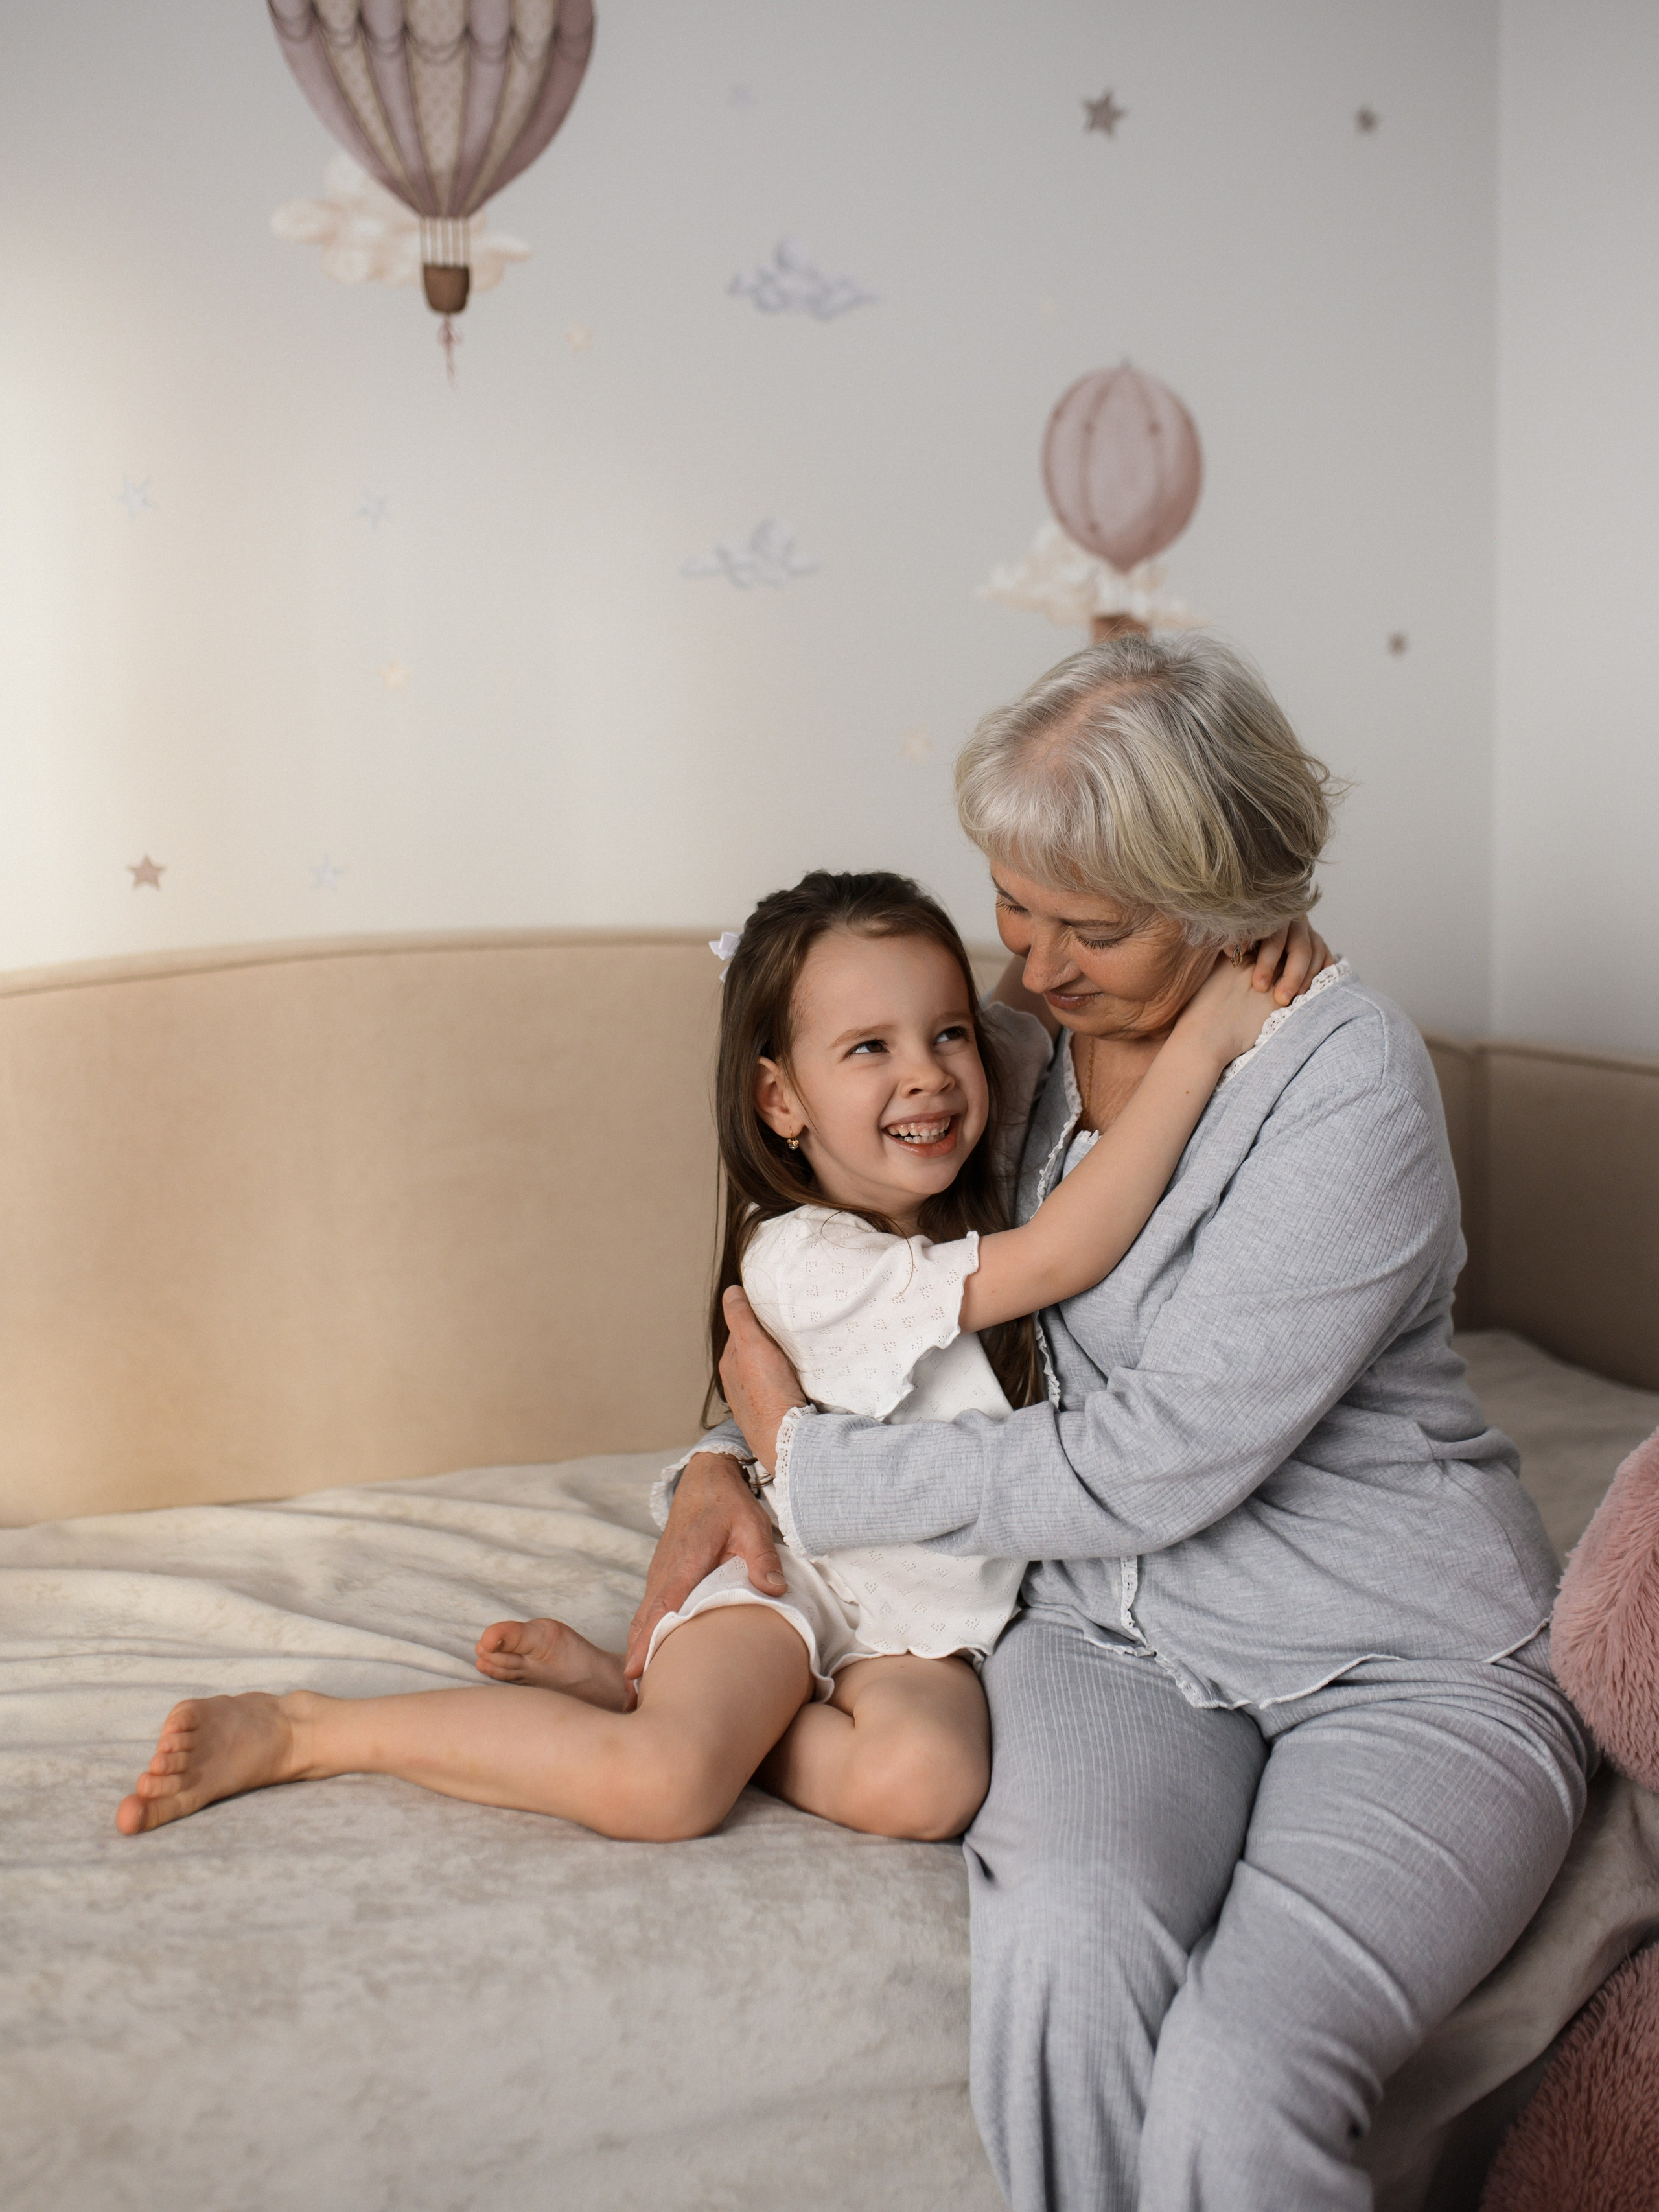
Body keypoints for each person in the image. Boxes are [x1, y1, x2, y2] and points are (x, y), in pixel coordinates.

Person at [632, 631, 1590, 2212]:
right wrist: (719, 1464)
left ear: (1231, 913)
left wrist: (815, 1471)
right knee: (1068, 1969)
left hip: (1398, 1659)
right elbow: (845, 1294)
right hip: (1102, 1635)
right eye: (1011, 901)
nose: (1026, 967)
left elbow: (1151, 1459)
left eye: (1090, 927)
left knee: (1240, 2072)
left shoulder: (1348, 1085)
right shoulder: (1002, 1052)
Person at [115, 867, 1308, 1846]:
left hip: (923, 1614)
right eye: (870, 1049)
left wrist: (1226, 933)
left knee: (928, 1787)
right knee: (667, 1787)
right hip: (788, 1569)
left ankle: (646, 1694)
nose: (929, 1072)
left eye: (947, 1034)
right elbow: (1063, 1252)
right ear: (780, 1101)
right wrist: (1212, 1033)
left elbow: (1051, 1011)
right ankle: (310, 1730)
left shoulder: (960, 1190)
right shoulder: (805, 1258)